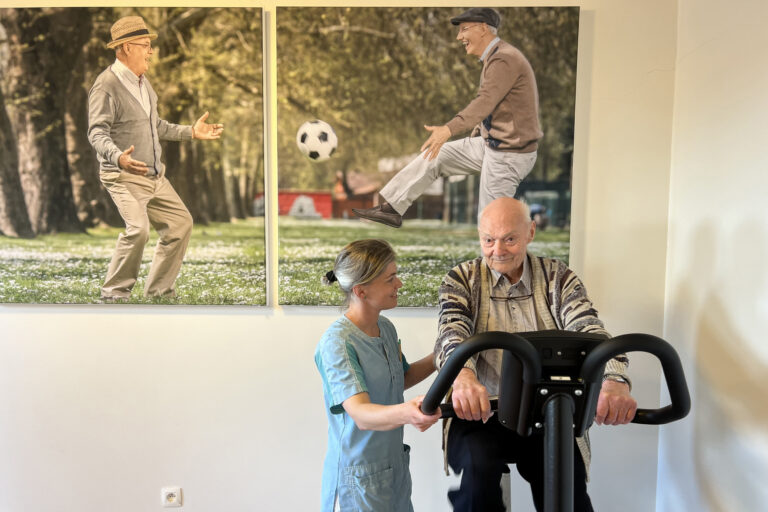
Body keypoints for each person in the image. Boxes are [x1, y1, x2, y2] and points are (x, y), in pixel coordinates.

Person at [435, 198, 637, 511]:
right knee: (478, 479)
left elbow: (589, 328)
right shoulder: (462, 278)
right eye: (488, 240)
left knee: (568, 494)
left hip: (545, 411)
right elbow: (452, 333)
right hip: (480, 410)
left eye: (509, 239)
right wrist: (463, 377)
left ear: (530, 232)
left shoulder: (558, 277)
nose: (497, 250)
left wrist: (613, 379)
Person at [353, 8, 542, 228]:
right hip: (492, 145)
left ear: (483, 29)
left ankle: (495, 262)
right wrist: (478, 132)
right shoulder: (497, 56)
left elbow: (485, 101)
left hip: (509, 154)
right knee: (437, 154)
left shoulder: (503, 60)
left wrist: (449, 129)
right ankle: (392, 208)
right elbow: (499, 105)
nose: (459, 37)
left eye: (464, 29)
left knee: (490, 223)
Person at [87, 16, 224, 301]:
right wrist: (118, 158)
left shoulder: (144, 84)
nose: (151, 51)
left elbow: (156, 126)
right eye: (146, 45)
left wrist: (192, 133)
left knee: (180, 224)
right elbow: (96, 133)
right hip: (123, 175)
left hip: (155, 177)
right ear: (125, 47)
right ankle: (114, 295)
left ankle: (160, 294)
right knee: (138, 230)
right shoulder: (106, 86)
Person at [314, 239, 442, 511]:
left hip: (393, 471)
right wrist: (409, 413)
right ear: (361, 291)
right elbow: (360, 414)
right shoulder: (337, 343)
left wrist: (441, 356)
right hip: (357, 480)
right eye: (390, 279)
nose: (400, 285)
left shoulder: (385, 328)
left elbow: (400, 379)